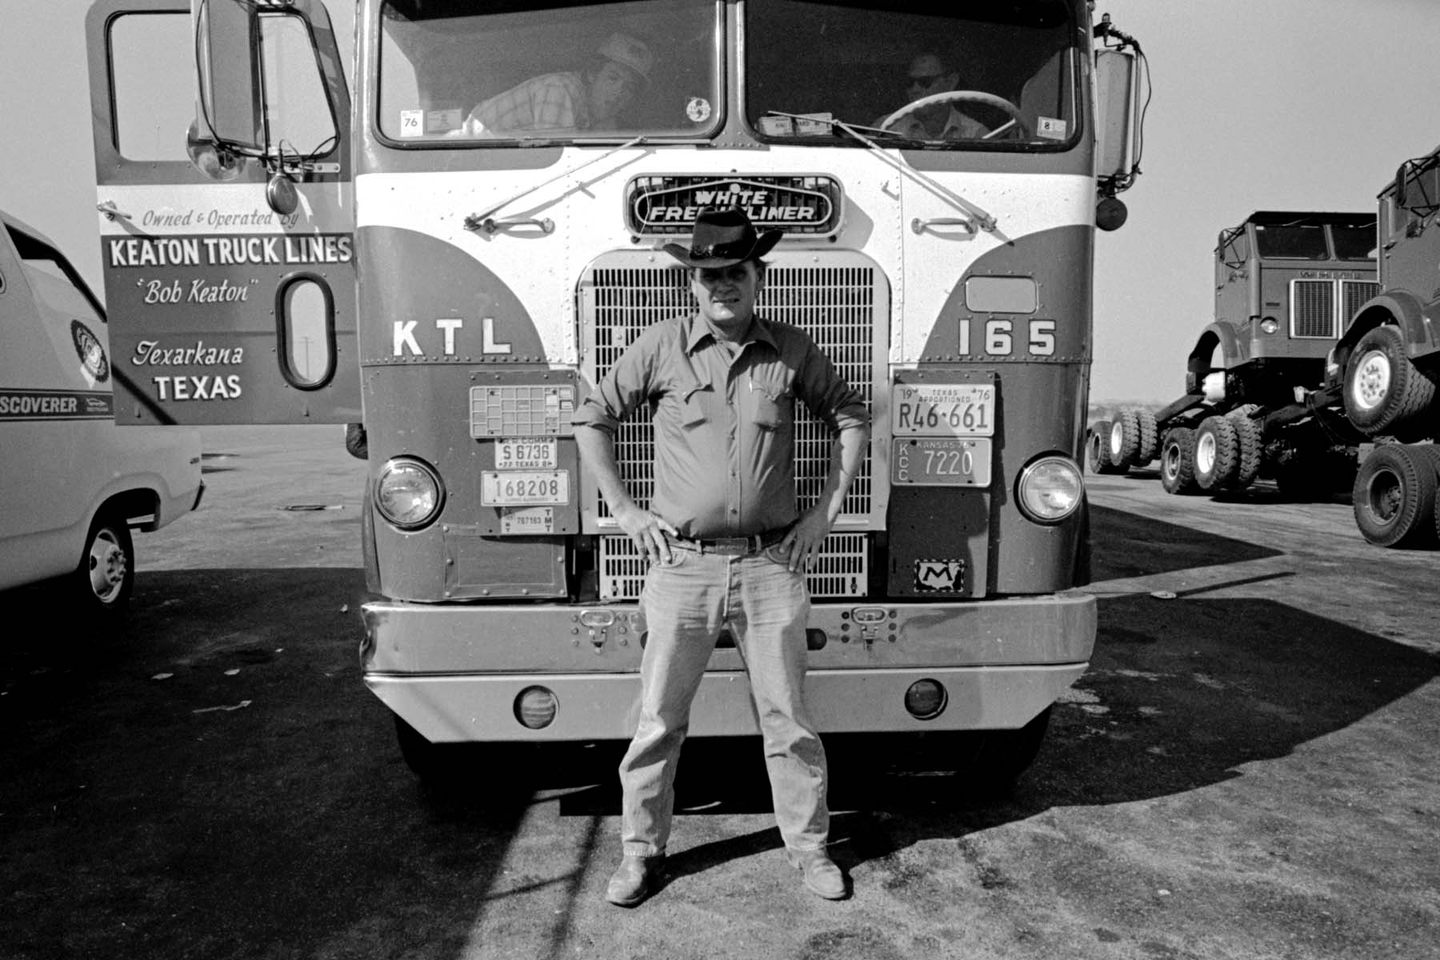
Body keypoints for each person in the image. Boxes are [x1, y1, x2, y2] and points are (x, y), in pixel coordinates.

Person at [572, 207, 871, 907]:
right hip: (682, 567)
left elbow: (851, 416)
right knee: (658, 722)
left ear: (757, 276)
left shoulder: (792, 351)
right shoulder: (660, 347)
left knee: (789, 721)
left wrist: (824, 513)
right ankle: (640, 854)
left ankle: (810, 850)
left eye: (735, 271)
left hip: (772, 568)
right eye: (709, 274)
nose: (722, 285)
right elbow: (592, 417)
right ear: (692, 283)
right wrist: (623, 506)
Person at [463, 33, 653, 137]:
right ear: (592, 74)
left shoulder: (593, 113)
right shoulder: (560, 90)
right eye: (613, 78)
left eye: (629, 87)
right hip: (456, 156)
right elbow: (564, 163)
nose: (620, 92)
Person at [876, 52, 991, 140]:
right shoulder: (885, 129)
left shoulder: (978, 136)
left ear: (951, 82)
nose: (915, 89)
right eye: (910, 82)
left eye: (925, 81)